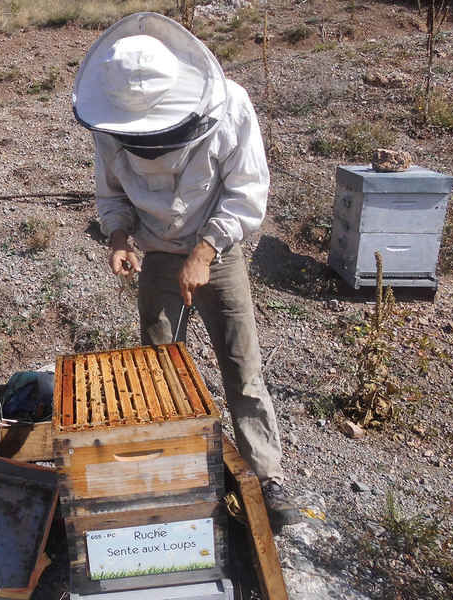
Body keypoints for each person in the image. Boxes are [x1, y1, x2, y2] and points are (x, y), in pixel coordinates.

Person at [72, 12, 300, 527]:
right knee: (156, 366)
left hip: (216, 253)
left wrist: (205, 251)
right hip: (154, 255)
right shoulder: (111, 122)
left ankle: (267, 474)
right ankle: (171, 466)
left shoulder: (231, 106)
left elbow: (246, 193)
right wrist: (117, 236)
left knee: (241, 366)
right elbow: (110, 193)